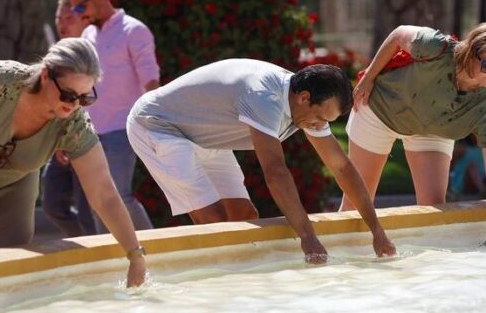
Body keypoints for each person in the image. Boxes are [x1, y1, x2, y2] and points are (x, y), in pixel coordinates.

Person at [0, 38, 146, 287]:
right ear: (45, 75)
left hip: (11, 186)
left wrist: (135, 254)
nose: (73, 105)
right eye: (67, 94)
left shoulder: (73, 125)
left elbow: (104, 193)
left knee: (8, 268)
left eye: (84, 99)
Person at [127, 59, 397, 263]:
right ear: (304, 98)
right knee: (213, 219)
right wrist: (308, 238)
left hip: (202, 135)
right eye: (321, 119)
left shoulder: (306, 105)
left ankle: (239, 278)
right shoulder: (264, 98)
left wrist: (377, 230)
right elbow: (275, 171)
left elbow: (341, 166)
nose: (319, 126)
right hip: (157, 124)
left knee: (245, 217)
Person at [342, 22, 486, 246]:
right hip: (381, 109)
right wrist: (368, 78)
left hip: (434, 128)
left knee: (434, 209)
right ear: (469, 52)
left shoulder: (485, 103)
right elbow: (397, 35)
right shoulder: (435, 46)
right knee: (355, 205)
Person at [63, 0, 160, 232]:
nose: (79, 13)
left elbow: (150, 80)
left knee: (119, 197)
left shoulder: (134, 30)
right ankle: (114, 261)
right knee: (98, 201)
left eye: (81, 6)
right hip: (91, 133)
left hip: (123, 128)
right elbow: (79, 89)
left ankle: (157, 250)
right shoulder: (87, 37)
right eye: (74, 8)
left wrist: (155, 125)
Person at [41, 0, 97, 236]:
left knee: (89, 212)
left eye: (69, 18)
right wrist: (57, 141)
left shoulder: (91, 57)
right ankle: (88, 248)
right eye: (59, 18)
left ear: (84, 20)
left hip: (87, 140)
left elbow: (90, 104)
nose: (62, 24)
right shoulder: (56, 57)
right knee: (52, 206)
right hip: (61, 141)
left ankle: (98, 256)